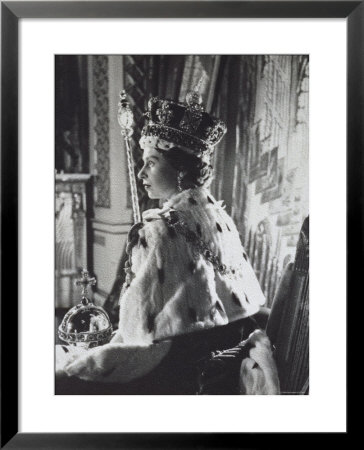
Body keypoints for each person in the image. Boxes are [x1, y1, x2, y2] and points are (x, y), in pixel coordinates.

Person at [56, 89, 279, 395]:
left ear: (181, 170)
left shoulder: (157, 231)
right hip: (222, 350)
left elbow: (138, 332)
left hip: (175, 369)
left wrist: (96, 355)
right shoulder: (218, 214)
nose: (141, 172)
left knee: (64, 376)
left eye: (151, 162)